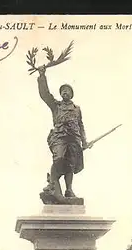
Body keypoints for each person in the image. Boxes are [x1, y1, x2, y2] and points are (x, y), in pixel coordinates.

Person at [37, 65, 92, 198]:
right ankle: (52, 184)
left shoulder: (77, 109)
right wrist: (42, 77)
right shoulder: (56, 106)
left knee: (70, 165)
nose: (65, 92)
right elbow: (45, 95)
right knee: (59, 158)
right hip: (60, 137)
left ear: (71, 94)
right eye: (63, 91)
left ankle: (69, 190)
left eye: (67, 90)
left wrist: (84, 141)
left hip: (74, 139)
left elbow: (80, 125)